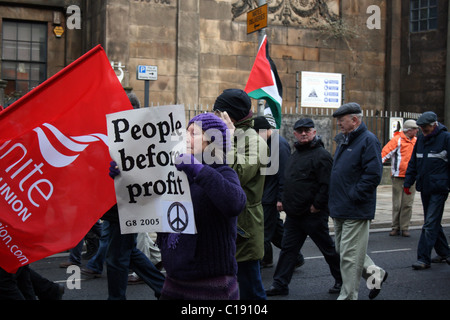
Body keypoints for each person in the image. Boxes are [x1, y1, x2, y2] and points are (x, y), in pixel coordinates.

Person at [156, 112, 247, 300]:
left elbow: (235, 203)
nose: (186, 138)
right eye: (186, 132)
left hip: (210, 286)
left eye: (193, 133)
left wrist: (199, 169)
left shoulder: (224, 172)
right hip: (175, 280)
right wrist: (126, 176)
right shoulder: (177, 176)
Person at [265, 118, 342, 296]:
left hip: (313, 215)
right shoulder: (295, 155)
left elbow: (327, 184)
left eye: (307, 130)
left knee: (328, 249)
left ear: (314, 132)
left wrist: (317, 206)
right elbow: (289, 181)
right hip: (294, 215)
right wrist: (283, 199)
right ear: (295, 134)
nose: (304, 133)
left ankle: (341, 279)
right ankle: (280, 284)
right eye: (300, 131)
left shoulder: (322, 155)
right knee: (288, 250)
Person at [329, 102, 388, 300]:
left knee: (348, 256)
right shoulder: (345, 140)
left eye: (341, 120)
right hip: (340, 207)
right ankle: (376, 275)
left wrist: (355, 196)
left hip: (355, 207)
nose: (338, 124)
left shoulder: (368, 140)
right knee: (343, 250)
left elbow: (373, 175)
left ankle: (347, 296)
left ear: (354, 120)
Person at [213, 88, 268, 300]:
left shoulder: (255, 142)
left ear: (231, 115)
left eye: (218, 112)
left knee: (250, 290)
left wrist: (226, 137)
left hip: (244, 227)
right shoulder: (221, 136)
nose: (214, 116)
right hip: (223, 224)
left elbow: (236, 175)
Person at [252, 116, 304, 269]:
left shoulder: (278, 145)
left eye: (256, 133)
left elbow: (284, 174)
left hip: (271, 197)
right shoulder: (269, 143)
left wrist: (281, 198)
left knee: (262, 233)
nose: (255, 137)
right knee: (275, 232)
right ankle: (294, 257)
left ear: (263, 131)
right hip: (267, 195)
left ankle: (259, 261)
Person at [404, 111, 450, 270]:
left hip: (440, 188)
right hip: (425, 187)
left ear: (434, 124)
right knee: (433, 222)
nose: (422, 131)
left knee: (429, 222)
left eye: (425, 128)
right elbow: (414, 162)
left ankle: (423, 258)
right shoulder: (421, 139)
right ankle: (445, 252)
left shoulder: (446, 138)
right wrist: (408, 182)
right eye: (421, 128)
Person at [382, 120, 419, 237]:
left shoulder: (417, 142)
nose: (417, 131)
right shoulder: (397, 140)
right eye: (415, 129)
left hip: (411, 177)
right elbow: (384, 153)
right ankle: (395, 227)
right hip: (398, 177)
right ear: (409, 130)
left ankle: (404, 227)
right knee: (397, 203)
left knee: (407, 203)